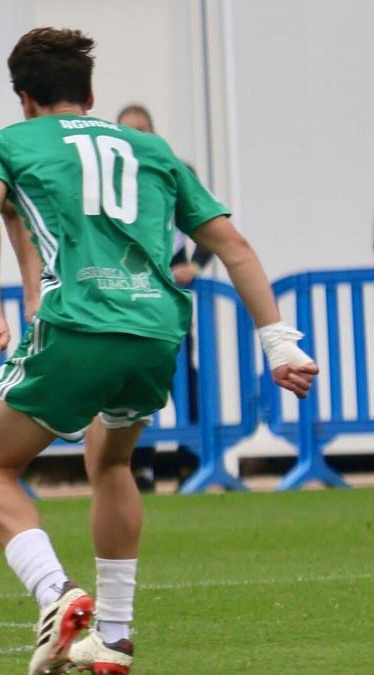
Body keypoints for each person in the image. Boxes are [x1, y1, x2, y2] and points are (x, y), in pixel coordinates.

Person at [0, 28, 319, 674]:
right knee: (112, 461)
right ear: (91, 93)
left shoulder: (8, 143)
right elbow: (233, 245)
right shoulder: (151, 148)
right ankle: (116, 638)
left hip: (78, 324)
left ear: (25, 99)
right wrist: (279, 344)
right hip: (154, 335)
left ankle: (56, 593)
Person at [116, 103, 213, 491]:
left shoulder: (177, 169)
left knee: (181, 374)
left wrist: (198, 264)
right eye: (129, 131)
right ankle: (139, 466)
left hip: (170, 283)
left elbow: (211, 221)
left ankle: (191, 461)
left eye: (143, 129)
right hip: (127, 282)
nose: (137, 138)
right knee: (130, 378)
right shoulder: (109, 175)